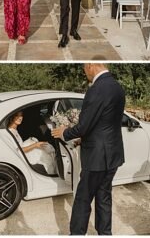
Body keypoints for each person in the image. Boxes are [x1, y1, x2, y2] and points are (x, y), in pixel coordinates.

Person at [51, 63, 125, 235]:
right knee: (104, 198)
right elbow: (104, 123)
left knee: (83, 199)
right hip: (113, 154)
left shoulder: (96, 89)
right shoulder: (117, 87)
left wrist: (64, 132)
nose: (85, 72)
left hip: (96, 157)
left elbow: (84, 126)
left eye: (84, 68)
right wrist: (83, 139)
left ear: (91, 65)